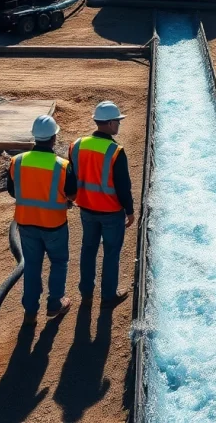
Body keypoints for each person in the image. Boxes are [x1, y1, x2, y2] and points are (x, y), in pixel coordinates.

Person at [7, 115, 77, 322]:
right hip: (54, 224)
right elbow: (72, 194)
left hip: (26, 224)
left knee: (32, 265)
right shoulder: (62, 165)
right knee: (58, 262)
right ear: (54, 138)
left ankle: (30, 311)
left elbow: (12, 191)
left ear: (35, 137)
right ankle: (55, 303)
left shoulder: (17, 161)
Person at [69, 101, 135, 306]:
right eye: (117, 121)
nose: (119, 125)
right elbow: (123, 186)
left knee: (88, 249)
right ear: (108, 123)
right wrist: (130, 211)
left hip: (86, 209)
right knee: (111, 253)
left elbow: (70, 177)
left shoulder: (77, 145)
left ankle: (86, 292)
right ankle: (108, 296)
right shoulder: (115, 151)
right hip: (111, 212)